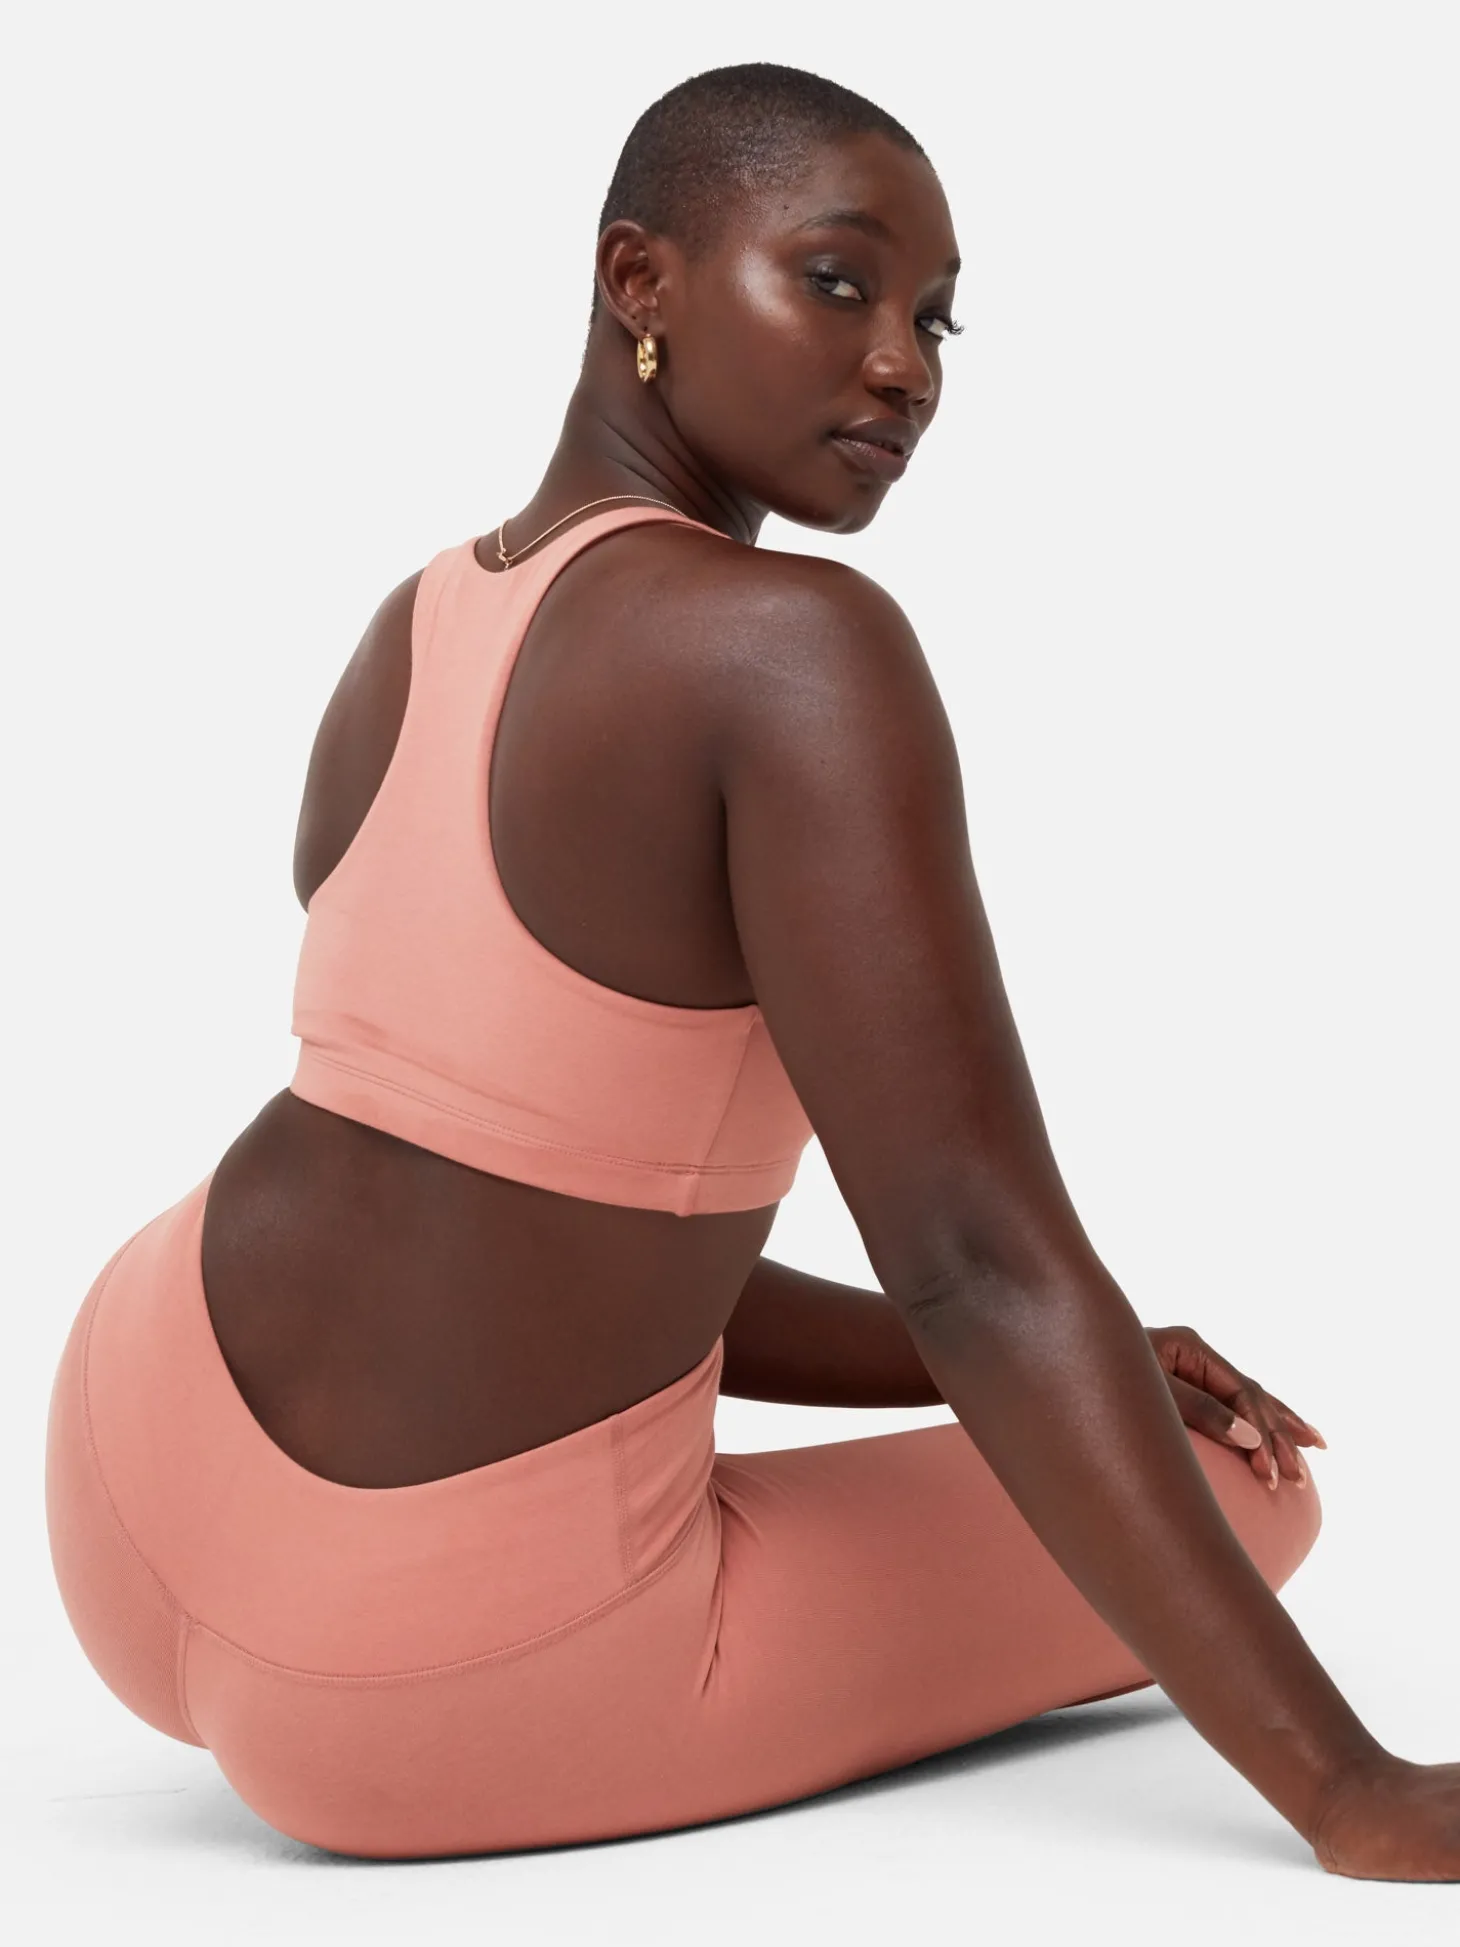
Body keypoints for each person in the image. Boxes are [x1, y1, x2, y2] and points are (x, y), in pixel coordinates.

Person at [42, 61, 1458, 1881]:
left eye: (939, 321)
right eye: (840, 282)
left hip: (130, 1459)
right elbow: (976, 1260)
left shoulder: (420, 621)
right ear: (638, 279)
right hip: (424, 1675)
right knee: (1256, 1491)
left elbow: (526, 1205)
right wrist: (1347, 1789)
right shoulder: (797, 653)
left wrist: (1054, 1359)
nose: (906, 366)